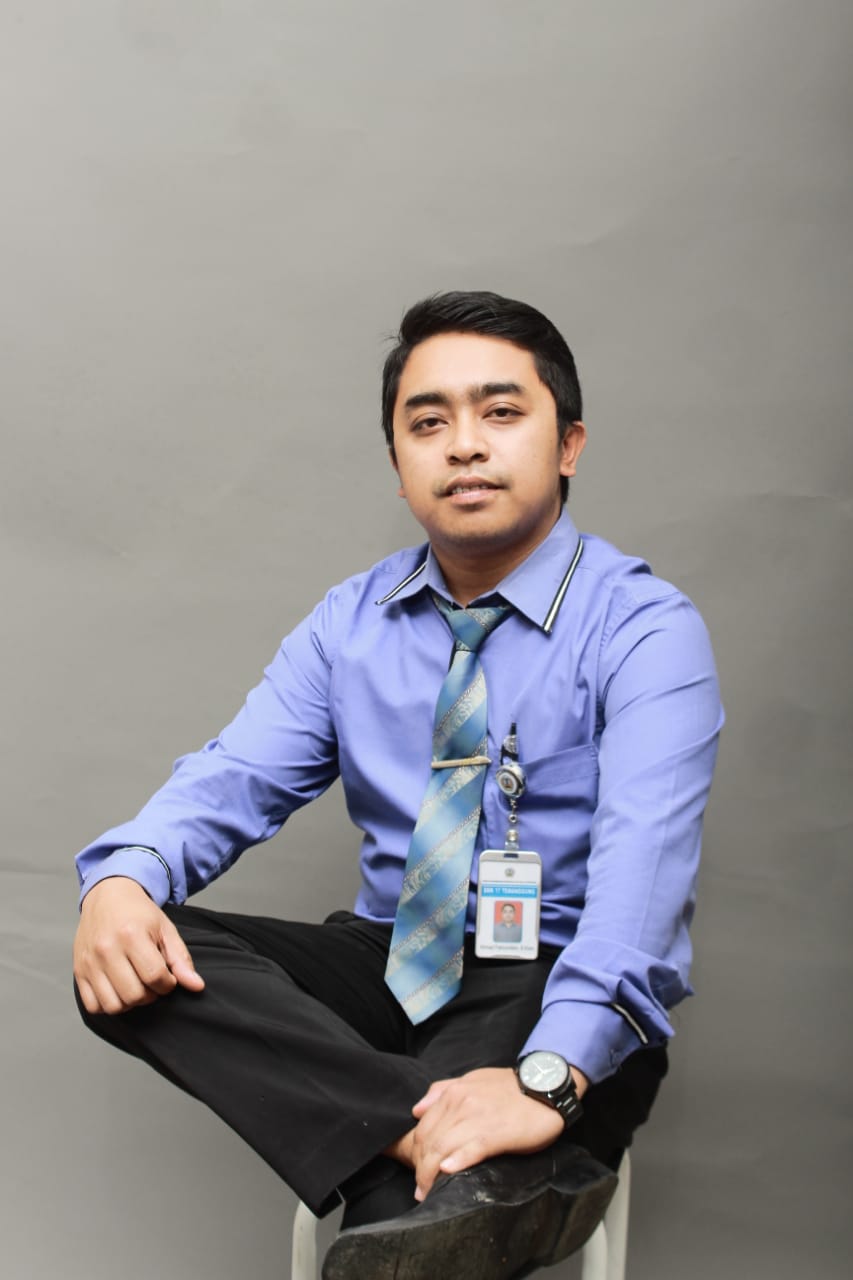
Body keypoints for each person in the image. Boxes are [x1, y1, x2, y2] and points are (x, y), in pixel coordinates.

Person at [73, 290, 723, 1280]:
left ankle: (457, 1167)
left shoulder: (644, 629)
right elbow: (231, 777)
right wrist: (125, 876)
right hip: (390, 960)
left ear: (568, 445)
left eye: (499, 412)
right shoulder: (351, 621)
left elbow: (641, 893)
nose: (463, 445)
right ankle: (450, 1150)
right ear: (397, 461)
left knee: (397, 1230)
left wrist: (545, 1080)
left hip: (546, 968)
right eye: (428, 423)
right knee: (133, 955)